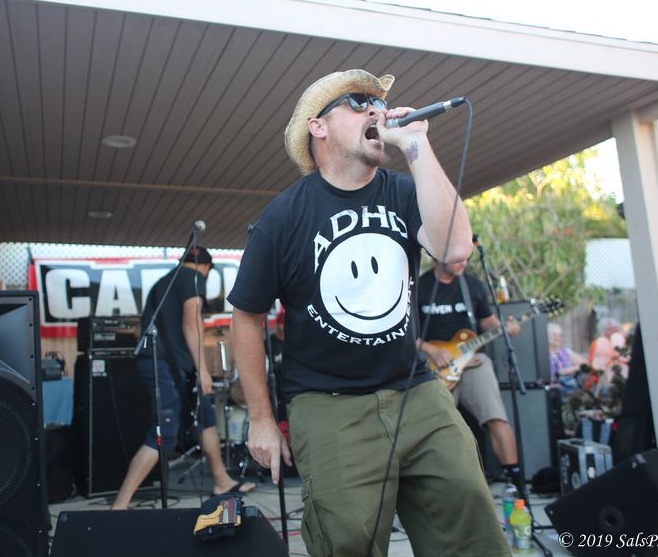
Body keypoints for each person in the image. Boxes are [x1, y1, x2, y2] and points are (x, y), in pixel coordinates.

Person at [228, 70, 508, 556]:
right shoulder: (284, 216)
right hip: (326, 402)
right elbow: (246, 317)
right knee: (347, 538)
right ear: (318, 127)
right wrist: (261, 419)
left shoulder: (403, 192)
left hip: (415, 389)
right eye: (359, 102)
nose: (376, 110)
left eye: (379, 103)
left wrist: (417, 144)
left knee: (468, 511)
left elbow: (455, 248)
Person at [111, 247, 254, 510]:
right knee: (163, 433)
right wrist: (203, 370)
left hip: (166, 365)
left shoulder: (164, 282)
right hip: (165, 366)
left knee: (205, 419)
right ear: (205, 267)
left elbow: (140, 330)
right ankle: (120, 505)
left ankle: (221, 481)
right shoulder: (192, 277)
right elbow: (192, 322)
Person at [416, 257, 524, 491]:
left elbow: (486, 321)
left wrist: (503, 327)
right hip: (434, 367)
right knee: (435, 426)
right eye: (457, 258)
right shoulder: (419, 286)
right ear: (438, 256)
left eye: (466, 258)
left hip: (472, 361)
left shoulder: (473, 285)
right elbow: (406, 334)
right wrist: (431, 350)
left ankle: (516, 482)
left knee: (497, 417)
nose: (463, 263)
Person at [547, 322, 586, 394]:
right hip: (553, 390)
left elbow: (584, 364)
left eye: (559, 335)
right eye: (554, 335)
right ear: (547, 336)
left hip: (571, 388)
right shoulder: (543, 354)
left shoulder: (566, 352)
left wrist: (568, 370)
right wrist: (561, 372)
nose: (557, 338)